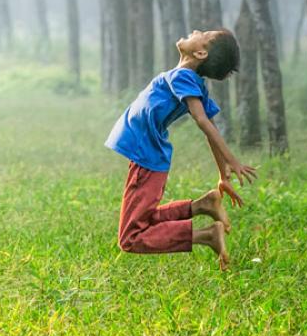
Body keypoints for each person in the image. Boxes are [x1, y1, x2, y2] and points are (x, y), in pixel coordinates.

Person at [104, 29, 256, 270]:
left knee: (130, 237)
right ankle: (202, 205)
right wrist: (222, 174)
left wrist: (232, 161)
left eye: (203, 34)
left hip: (147, 158)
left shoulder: (184, 77)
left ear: (200, 52)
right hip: (147, 156)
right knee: (143, 219)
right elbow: (210, 128)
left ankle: (206, 236)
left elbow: (204, 121)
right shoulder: (190, 81)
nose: (196, 30)